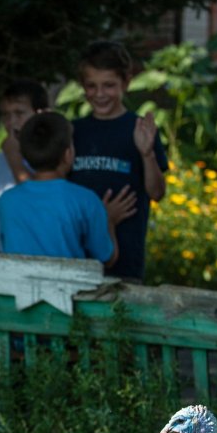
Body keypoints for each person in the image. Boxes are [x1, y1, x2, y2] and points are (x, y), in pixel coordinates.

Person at [68, 40, 165, 282]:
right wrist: (103, 216)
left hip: (125, 262)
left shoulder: (140, 130)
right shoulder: (72, 132)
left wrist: (147, 154)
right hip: (76, 260)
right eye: (91, 86)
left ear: (126, 82)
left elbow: (157, 192)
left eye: (109, 85)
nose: (100, 94)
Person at [0, 111, 134, 267]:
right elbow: (106, 258)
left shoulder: (7, 201)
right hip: (68, 291)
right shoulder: (85, 200)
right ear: (68, 154)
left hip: (20, 289)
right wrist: (108, 220)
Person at [0, 79, 49, 251]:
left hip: (32, 253)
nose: (11, 122)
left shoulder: (48, 155)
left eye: (19, 113)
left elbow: (39, 199)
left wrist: (14, 157)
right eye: (6, 115)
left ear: (40, 114)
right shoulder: (0, 159)